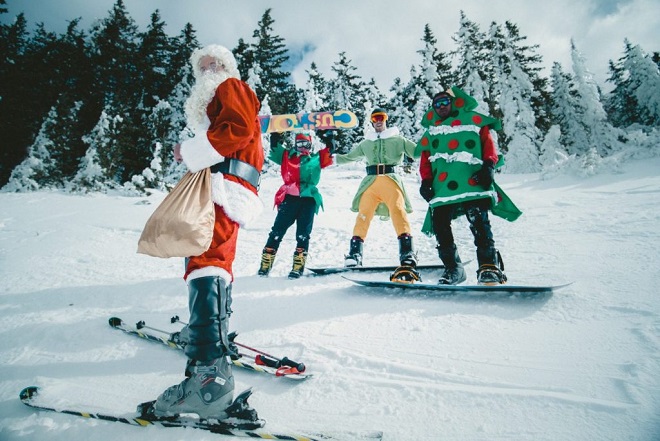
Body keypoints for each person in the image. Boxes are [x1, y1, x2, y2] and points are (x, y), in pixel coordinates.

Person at [153, 44, 264, 420]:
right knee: (213, 263)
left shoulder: (231, 87)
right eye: (203, 67)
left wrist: (189, 151)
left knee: (204, 261)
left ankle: (208, 379)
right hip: (226, 185)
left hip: (222, 186)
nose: (210, 70)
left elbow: (235, 130)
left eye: (216, 63)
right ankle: (212, 347)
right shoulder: (219, 99)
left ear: (228, 67)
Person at [416, 86, 522, 285]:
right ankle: (453, 268)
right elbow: (425, 158)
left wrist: (489, 165)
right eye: (436, 103)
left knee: (479, 222)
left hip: (472, 182)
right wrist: (426, 181)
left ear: (453, 102)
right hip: (443, 188)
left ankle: (488, 267)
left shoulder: (474, 121)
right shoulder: (432, 131)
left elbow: (487, 144)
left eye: (444, 101)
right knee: (440, 225)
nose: (441, 106)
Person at [335, 108, 420, 282]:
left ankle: (407, 254)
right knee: (363, 216)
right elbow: (349, 157)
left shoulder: (398, 140)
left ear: (386, 119)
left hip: (391, 180)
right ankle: (354, 255)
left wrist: (433, 144)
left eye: (381, 117)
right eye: (375, 118)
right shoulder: (366, 143)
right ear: (372, 122)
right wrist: (329, 157)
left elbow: (418, 152)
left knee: (398, 211)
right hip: (371, 183)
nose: (379, 121)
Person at [258, 131, 334, 279]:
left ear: (310, 145)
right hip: (289, 199)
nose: (303, 147)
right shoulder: (286, 155)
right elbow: (274, 148)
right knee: (277, 232)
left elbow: (330, 151)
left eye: (306, 144)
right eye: (300, 143)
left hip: (308, 199)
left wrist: (329, 138)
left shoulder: (317, 158)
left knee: (303, 235)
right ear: (295, 144)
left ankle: (298, 267)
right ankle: (265, 264)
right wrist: (275, 134)